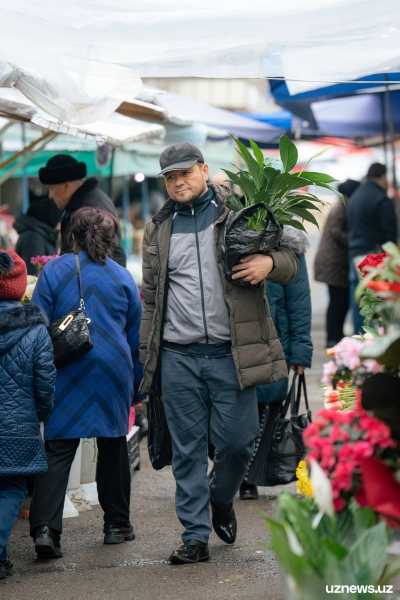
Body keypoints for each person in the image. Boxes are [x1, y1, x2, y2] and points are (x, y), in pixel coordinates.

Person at [140, 142, 298, 564]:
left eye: (185, 173)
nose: (178, 182)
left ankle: (221, 498)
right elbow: (151, 299)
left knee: (236, 444)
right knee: (188, 450)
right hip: (178, 356)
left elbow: (292, 259)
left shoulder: (240, 213)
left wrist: (269, 263)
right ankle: (195, 536)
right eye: (170, 177)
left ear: (204, 170)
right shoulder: (158, 228)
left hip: (232, 353)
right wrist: (147, 357)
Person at [29, 207, 144, 559]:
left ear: (72, 236)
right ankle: (116, 525)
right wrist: (136, 385)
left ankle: (46, 529)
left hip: (67, 366)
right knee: (113, 444)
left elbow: (37, 324)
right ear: (111, 240)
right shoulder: (123, 276)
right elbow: (135, 335)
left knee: (59, 445)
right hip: (113, 367)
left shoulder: (52, 271)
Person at [239, 225, 313, 499]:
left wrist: (301, 349)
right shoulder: (232, 236)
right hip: (237, 342)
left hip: (274, 343)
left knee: (266, 412)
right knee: (235, 415)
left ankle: (249, 476)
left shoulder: (289, 243)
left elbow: (299, 299)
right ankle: (236, 472)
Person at [0, 250, 55, 579]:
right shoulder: (35, 332)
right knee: (10, 489)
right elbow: (45, 384)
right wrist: (40, 413)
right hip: (17, 426)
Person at [38, 155, 126, 267]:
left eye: (51, 189)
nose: (50, 196)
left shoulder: (90, 208)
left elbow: (112, 253)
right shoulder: (89, 200)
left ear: (66, 186)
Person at [347, 163, 397, 334]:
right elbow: (390, 232)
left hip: (354, 253)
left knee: (359, 298)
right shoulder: (381, 198)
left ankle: (360, 336)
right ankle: (378, 338)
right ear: (382, 177)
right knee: (377, 300)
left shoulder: (356, 196)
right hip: (373, 255)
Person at [314, 179, 360, 347]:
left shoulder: (342, 206)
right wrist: (355, 240)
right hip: (333, 264)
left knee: (339, 301)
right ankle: (333, 338)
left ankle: (336, 336)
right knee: (337, 302)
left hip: (334, 264)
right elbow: (336, 231)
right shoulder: (342, 208)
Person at [14, 198, 63, 275]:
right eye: (58, 217)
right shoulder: (33, 238)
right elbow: (34, 273)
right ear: (49, 216)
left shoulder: (43, 235)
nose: (59, 223)